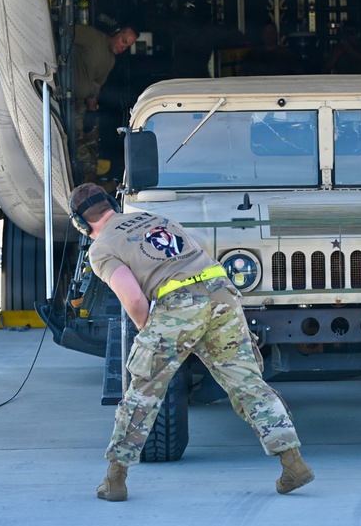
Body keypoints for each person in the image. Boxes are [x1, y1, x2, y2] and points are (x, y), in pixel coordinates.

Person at [68, 183, 314, 502]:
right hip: (222, 295)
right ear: (111, 204)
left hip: (178, 303)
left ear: (81, 223)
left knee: (142, 392)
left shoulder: (102, 247)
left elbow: (131, 297)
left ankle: (115, 481)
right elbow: (196, 256)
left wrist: (152, 332)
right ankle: (293, 463)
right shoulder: (160, 219)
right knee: (248, 383)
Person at [72, 25, 139, 183]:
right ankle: (86, 182)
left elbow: (95, 86)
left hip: (82, 105)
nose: (123, 47)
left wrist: (92, 111)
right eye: (123, 40)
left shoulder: (110, 61)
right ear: (115, 33)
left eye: (127, 46)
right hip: (67, 99)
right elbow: (62, 33)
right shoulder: (92, 37)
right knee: (80, 147)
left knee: (92, 145)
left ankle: (91, 180)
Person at [240, 22, 304, 76]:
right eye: (266, 33)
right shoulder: (254, 54)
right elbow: (242, 73)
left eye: (271, 33)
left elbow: (298, 73)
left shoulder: (286, 54)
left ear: (277, 35)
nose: (269, 36)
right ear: (262, 35)